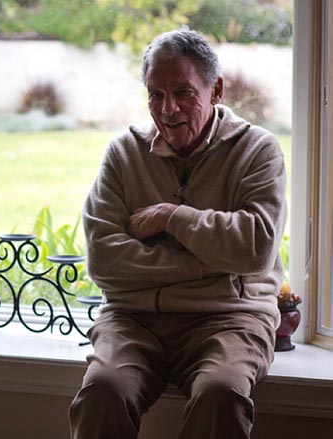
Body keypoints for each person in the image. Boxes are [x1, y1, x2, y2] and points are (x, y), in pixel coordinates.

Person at [69, 28, 287, 439]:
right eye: (155, 94)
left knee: (220, 394)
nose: (167, 109)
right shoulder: (123, 153)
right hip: (134, 320)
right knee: (102, 391)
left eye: (183, 92)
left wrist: (174, 217)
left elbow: (256, 246)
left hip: (229, 320)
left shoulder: (258, 150)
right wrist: (208, 264)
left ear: (216, 89)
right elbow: (104, 260)